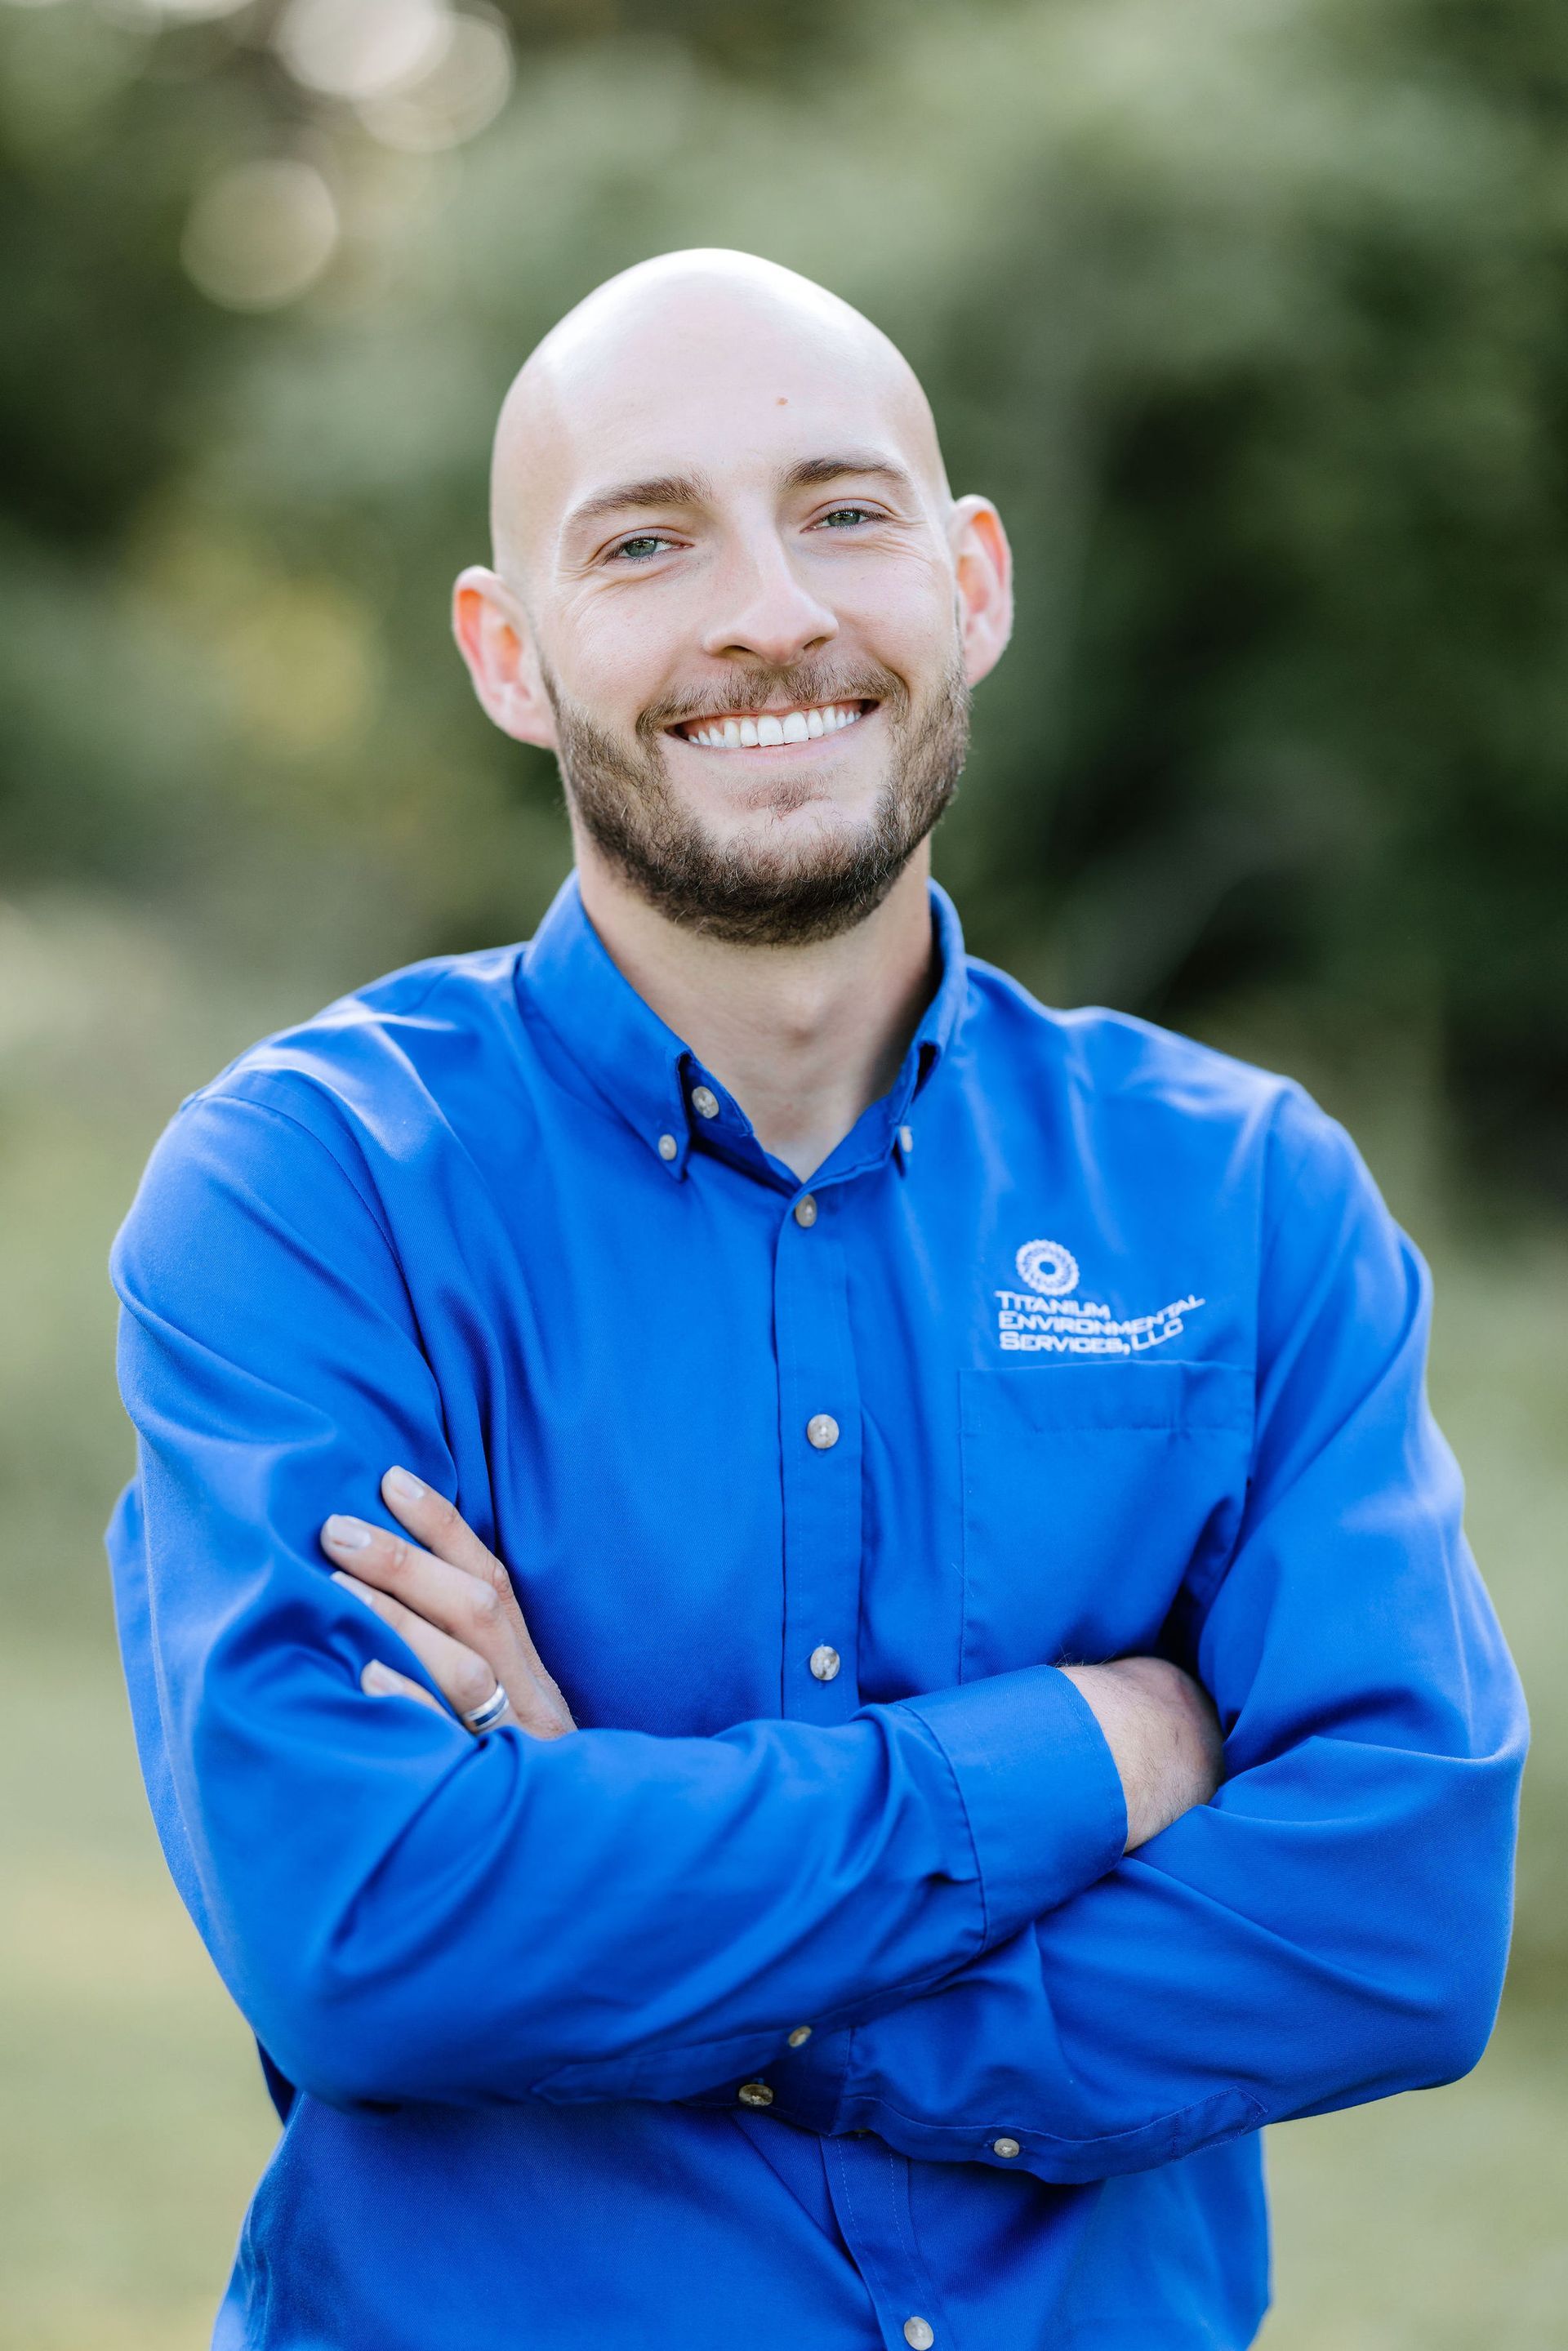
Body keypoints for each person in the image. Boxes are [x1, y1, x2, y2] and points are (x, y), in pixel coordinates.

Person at [107, 249, 1526, 2351]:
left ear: (976, 581)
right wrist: (1083, 1756)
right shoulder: (316, 1193)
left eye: (844, 512)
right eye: (646, 541)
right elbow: (372, 1923)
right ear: (510, 654)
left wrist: (694, 1977)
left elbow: (1394, 1917)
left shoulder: (1240, 1197)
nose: (769, 610)